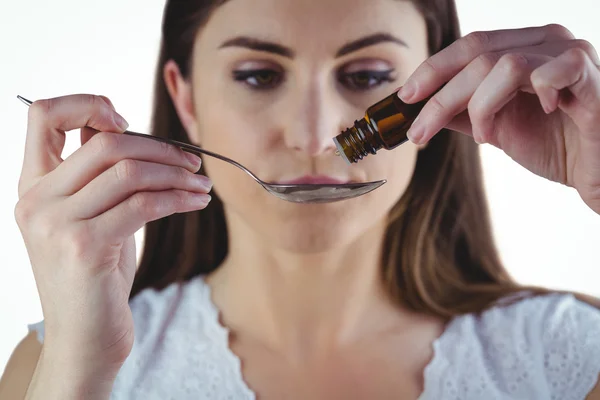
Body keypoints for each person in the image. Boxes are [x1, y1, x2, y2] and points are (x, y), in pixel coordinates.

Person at [1, 0, 600, 398]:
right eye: (259, 75)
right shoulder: (58, 363)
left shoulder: (573, 355)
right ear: (186, 100)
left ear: (446, 91)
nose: (315, 139)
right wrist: (81, 366)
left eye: (366, 76)